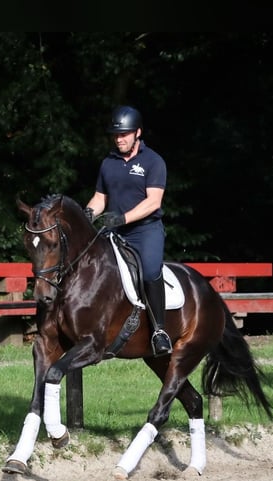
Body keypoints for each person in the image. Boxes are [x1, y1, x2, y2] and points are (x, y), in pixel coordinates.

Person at [85, 105, 172, 356]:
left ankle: (159, 331)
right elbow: (100, 198)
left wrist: (122, 218)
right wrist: (86, 215)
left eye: (124, 134)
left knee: (150, 271)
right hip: (115, 230)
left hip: (145, 231)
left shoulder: (153, 161)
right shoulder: (108, 163)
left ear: (137, 133)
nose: (119, 139)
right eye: (116, 135)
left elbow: (153, 202)